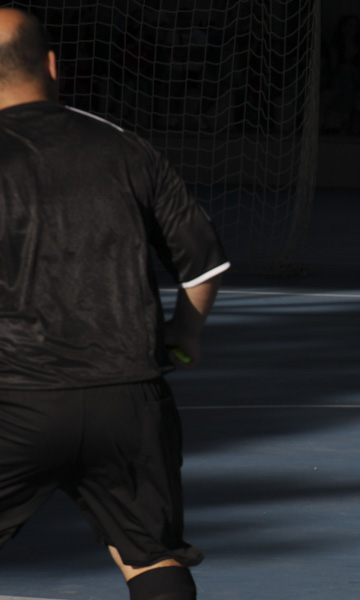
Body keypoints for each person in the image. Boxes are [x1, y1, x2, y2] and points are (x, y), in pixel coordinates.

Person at [0, 8, 228, 598]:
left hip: (16, 398)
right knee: (151, 557)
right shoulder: (124, 146)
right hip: (128, 398)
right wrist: (187, 333)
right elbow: (202, 261)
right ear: (53, 66)